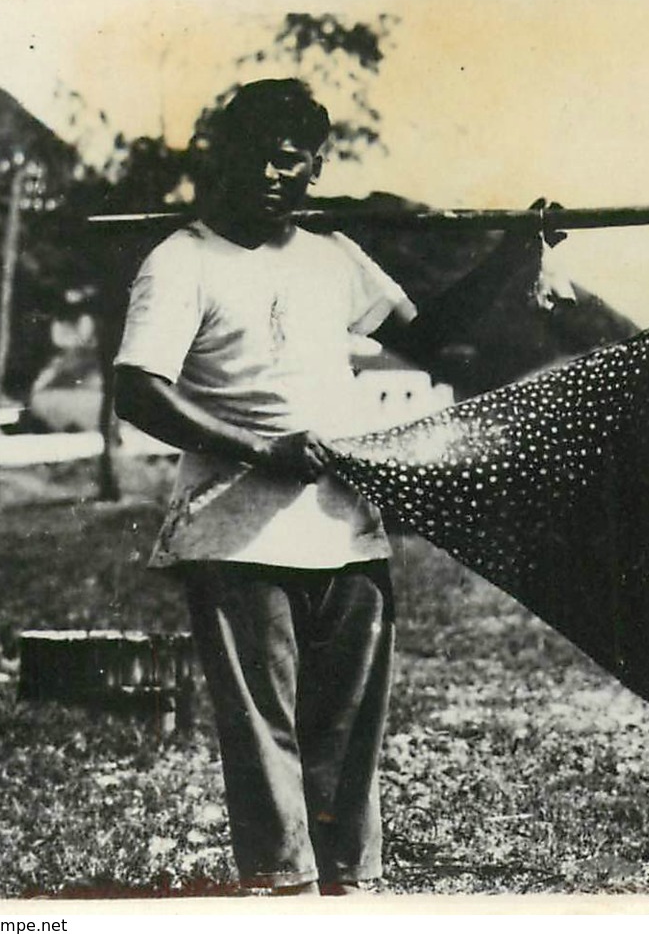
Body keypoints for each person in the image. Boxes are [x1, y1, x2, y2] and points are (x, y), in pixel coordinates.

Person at [114, 79, 441, 896]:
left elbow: (435, 336)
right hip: (238, 533)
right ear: (219, 161)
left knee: (350, 732)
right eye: (250, 155)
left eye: (287, 159)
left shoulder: (333, 256)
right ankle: (282, 892)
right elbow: (139, 387)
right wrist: (261, 447)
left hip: (346, 526)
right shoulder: (182, 258)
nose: (268, 172)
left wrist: (523, 254)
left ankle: (350, 889)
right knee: (264, 732)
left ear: (314, 168)